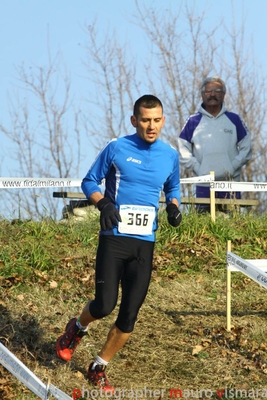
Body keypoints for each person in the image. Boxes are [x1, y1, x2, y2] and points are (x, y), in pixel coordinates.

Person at [56, 94, 182, 392]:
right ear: (134, 121)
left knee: (129, 317)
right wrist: (104, 205)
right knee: (103, 305)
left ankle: (98, 366)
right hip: (114, 239)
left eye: (156, 120)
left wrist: (174, 206)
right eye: (145, 120)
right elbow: (89, 181)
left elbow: (173, 185)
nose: (151, 126)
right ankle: (76, 329)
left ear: (163, 121)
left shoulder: (169, 154)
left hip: (144, 244)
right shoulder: (117, 147)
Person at [178, 76, 252, 213]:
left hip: (230, 183)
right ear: (202, 95)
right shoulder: (193, 121)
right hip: (204, 184)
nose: (212, 94)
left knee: (233, 225)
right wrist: (198, 169)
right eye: (208, 91)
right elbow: (183, 149)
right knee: (203, 227)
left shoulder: (234, 119)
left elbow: (246, 147)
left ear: (224, 94)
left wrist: (232, 166)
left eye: (217, 91)